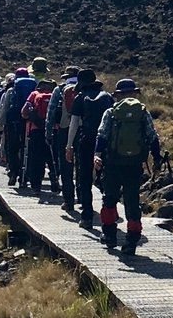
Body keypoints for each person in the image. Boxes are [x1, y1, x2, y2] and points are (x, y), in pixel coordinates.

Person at [95, 78, 164, 256]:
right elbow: (152, 137)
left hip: (112, 162)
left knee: (109, 198)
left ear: (117, 95)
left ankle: (109, 235)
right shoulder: (143, 113)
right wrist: (157, 159)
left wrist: (97, 155)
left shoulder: (110, 112)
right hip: (134, 164)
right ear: (134, 93)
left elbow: (102, 135)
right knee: (132, 200)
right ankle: (132, 240)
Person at [69, 75, 114, 230]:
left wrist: (69, 146)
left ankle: (87, 216)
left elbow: (74, 124)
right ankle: (109, 213)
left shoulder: (80, 98)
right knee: (108, 177)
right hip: (106, 143)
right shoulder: (107, 97)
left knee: (85, 178)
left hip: (87, 141)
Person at [0, 65, 38, 183]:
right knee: (26, 148)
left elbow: (5, 108)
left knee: (12, 148)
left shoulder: (11, 90)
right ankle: (27, 174)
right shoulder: (34, 91)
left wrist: (0, 124)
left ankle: (13, 172)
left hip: (13, 122)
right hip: (29, 122)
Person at [21, 76, 56, 194]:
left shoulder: (34, 94)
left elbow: (24, 113)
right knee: (52, 158)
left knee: (36, 159)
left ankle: (36, 186)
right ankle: (54, 180)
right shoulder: (55, 94)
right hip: (53, 130)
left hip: (35, 130)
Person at [52, 68, 81, 207]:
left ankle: (68, 200)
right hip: (83, 130)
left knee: (66, 165)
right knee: (82, 164)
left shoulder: (60, 89)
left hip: (64, 129)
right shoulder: (87, 89)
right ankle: (83, 196)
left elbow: (52, 112)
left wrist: (49, 132)